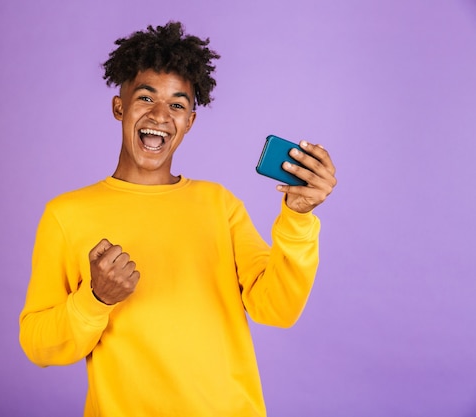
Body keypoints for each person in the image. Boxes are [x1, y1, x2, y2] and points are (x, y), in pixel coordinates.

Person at [19, 21, 337, 417]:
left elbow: (277, 308)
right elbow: (38, 345)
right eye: (145, 98)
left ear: (190, 121)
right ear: (120, 106)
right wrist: (95, 299)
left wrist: (298, 216)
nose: (160, 115)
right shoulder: (66, 214)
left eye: (177, 104)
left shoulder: (219, 204)